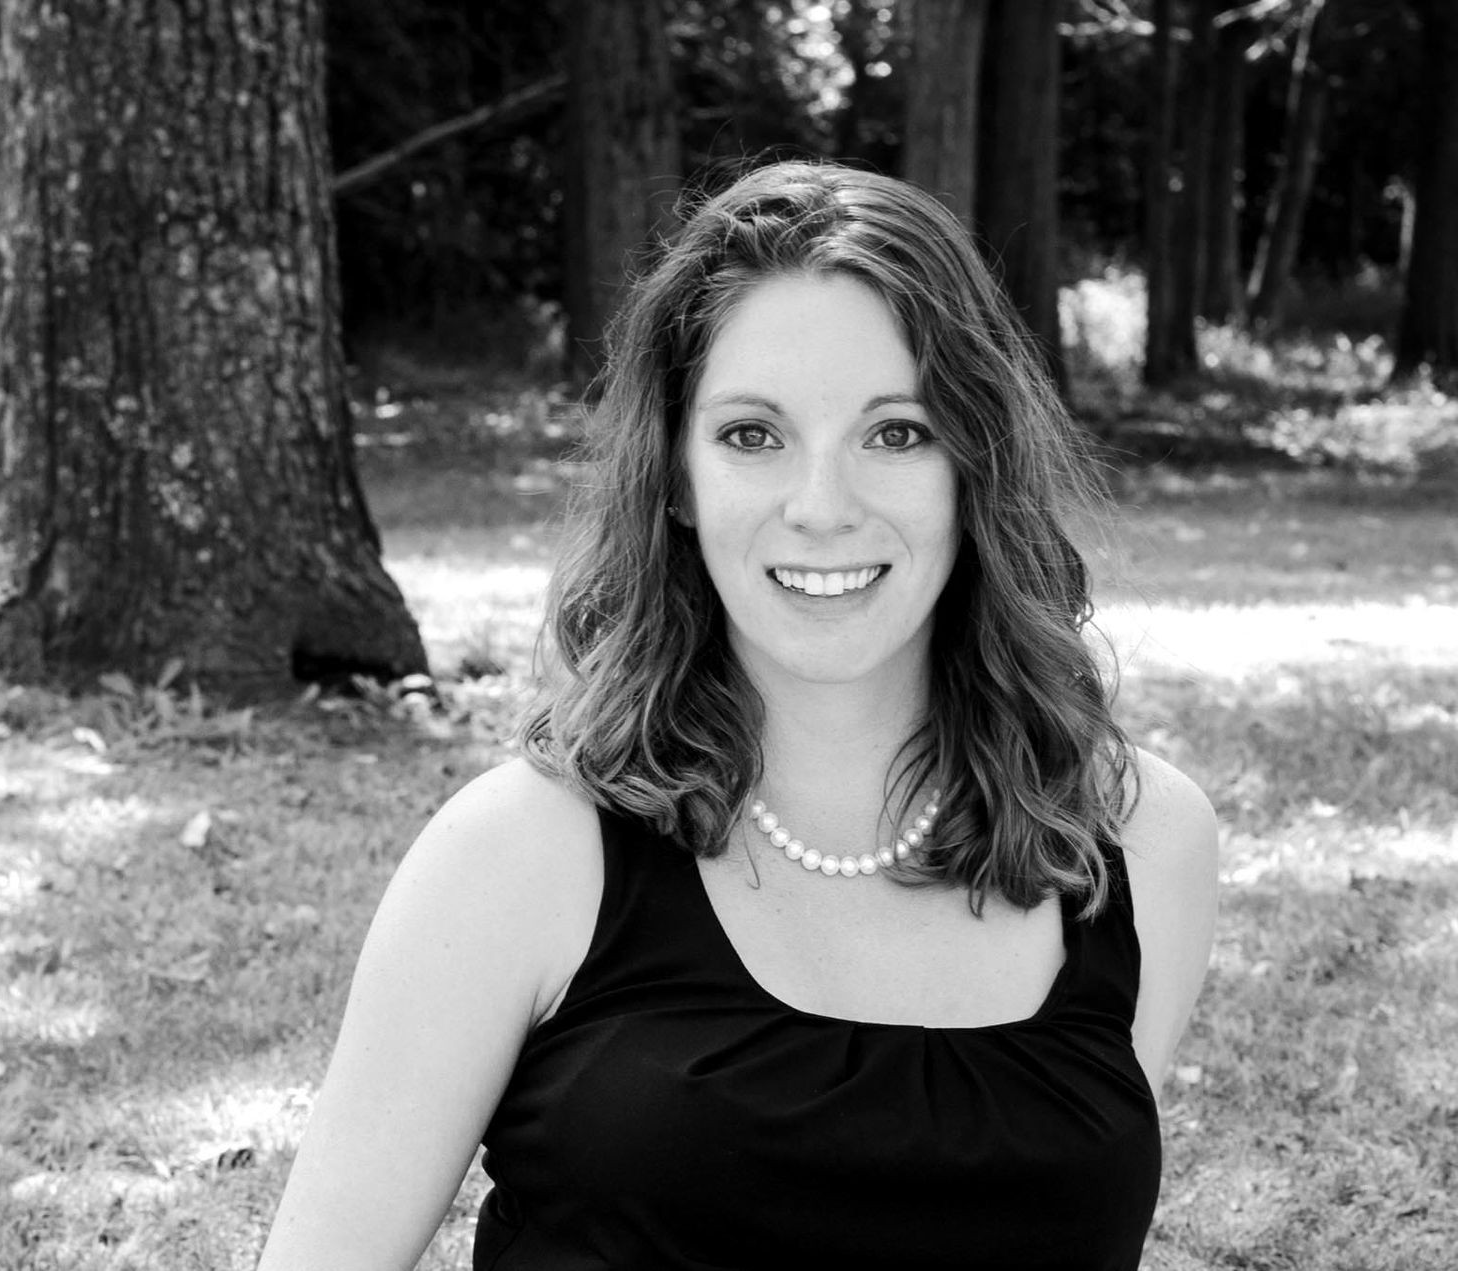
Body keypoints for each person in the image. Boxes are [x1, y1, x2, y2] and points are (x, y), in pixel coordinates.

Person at [255, 161, 1219, 1270]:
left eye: (896, 432)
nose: (822, 507)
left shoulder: (1141, 844)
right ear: (674, 475)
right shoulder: (517, 857)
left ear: (975, 462)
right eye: (753, 434)